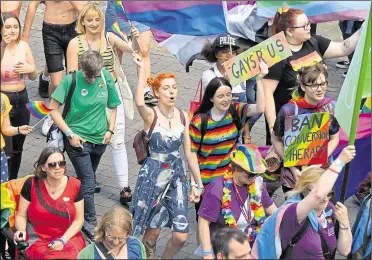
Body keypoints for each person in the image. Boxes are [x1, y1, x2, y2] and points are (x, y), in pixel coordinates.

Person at [130, 53, 203, 259]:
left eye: (174, 87)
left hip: (176, 177)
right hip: (153, 176)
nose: (171, 92)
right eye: (166, 88)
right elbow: (138, 102)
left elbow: (189, 152)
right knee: (151, 235)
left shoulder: (183, 116)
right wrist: (142, 68)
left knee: (181, 236)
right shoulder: (151, 115)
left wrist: (197, 183)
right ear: (157, 92)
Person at [66, 2, 136, 203]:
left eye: (98, 19)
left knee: (117, 138)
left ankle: (124, 186)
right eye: (90, 20)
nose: (94, 23)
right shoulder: (75, 44)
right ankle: (90, 176)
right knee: (89, 137)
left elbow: (132, 50)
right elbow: (71, 77)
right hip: (87, 96)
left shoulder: (109, 37)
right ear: (83, 22)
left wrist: (135, 39)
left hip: (111, 92)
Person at [263, 7, 362, 145]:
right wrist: (274, 129)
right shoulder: (276, 53)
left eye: (308, 23)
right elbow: (267, 94)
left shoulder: (314, 42)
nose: (309, 27)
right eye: (304, 26)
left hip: (315, 123)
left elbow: (343, 48)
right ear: (290, 31)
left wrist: (364, 28)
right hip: (289, 125)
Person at [49, 50, 121, 238]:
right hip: (78, 141)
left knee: (85, 181)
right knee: (89, 183)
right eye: (89, 75)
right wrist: (70, 134)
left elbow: (113, 106)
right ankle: (90, 223)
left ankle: (70, 209)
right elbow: (53, 109)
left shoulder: (105, 77)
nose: (92, 79)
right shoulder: (70, 81)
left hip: (100, 140)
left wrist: (110, 130)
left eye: (95, 76)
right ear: (82, 69)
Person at [189, 62, 267, 217]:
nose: (225, 99)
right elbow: (192, 155)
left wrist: (259, 80)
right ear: (211, 98)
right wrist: (196, 184)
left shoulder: (235, 110)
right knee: (206, 224)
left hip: (230, 181)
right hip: (207, 183)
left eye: (228, 95)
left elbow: (260, 108)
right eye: (220, 96)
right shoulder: (200, 121)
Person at [252, 146, 356, 259]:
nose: (325, 198)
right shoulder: (293, 211)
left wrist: (344, 223)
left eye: (329, 193)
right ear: (303, 190)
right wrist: (340, 161)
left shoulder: (329, 209)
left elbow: (344, 251)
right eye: (322, 193)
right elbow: (318, 194)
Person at [271, 62, 340, 194]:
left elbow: (334, 138)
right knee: (294, 212)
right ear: (303, 86)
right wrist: (292, 167)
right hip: (294, 175)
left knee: (322, 211)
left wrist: (318, 164)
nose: (320, 89)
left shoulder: (331, 107)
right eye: (314, 85)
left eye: (323, 84)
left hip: (321, 171)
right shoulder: (289, 110)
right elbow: (275, 139)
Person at [198, 144, 277, 259]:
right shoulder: (216, 189)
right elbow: (203, 222)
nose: (254, 177)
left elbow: (272, 210)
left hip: (248, 244)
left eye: (257, 173)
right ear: (236, 168)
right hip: (226, 247)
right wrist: (207, 253)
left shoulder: (257, 184)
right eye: (250, 173)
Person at [22, 0, 88, 136]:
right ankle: (52, 113)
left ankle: (71, 115)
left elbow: (84, 9)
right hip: (51, 31)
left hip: (73, 29)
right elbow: (33, 5)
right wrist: (26, 35)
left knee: (73, 79)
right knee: (57, 82)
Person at [13, 147, 86, 259]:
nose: (58, 168)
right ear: (43, 167)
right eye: (52, 165)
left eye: (61, 163)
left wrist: (63, 240)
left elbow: (79, 220)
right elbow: (21, 215)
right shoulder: (31, 184)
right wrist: (21, 230)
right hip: (39, 238)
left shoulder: (75, 185)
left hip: (69, 237)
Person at [1, 13, 38, 180]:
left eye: (15, 26)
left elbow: (34, 76)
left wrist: (29, 68)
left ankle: (13, 180)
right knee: (6, 147)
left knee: (18, 146)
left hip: (21, 98)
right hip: (4, 99)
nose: (12, 30)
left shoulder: (23, 46)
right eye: (8, 27)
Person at [200, 34, 256, 141]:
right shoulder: (208, 75)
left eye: (233, 52)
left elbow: (242, 110)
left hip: (236, 134)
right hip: (216, 133)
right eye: (224, 51)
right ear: (216, 54)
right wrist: (228, 75)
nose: (229, 55)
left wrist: (246, 135)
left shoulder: (241, 75)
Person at [105, 0, 157, 106]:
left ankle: (146, 90)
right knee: (117, 50)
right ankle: (113, 87)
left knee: (144, 51)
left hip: (142, 8)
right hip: (118, 7)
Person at [78, 207, 146, 259]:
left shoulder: (137, 246)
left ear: (128, 232)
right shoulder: (87, 255)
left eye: (121, 238)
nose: (116, 242)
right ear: (104, 229)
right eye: (111, 237)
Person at [1, 93, 33, 184]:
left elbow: (5, 128)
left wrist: (18, 129)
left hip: (1, 155)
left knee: (3, 190)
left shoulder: (2, 99)